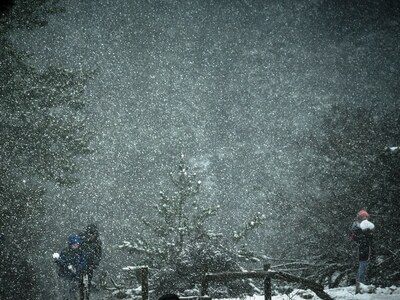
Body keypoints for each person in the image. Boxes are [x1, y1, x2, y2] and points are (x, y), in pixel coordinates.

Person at [55, 233, 88, 300]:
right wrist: (63, 264)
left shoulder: (80, 253)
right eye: (74, 245)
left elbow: (84, 263)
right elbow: (61, 261)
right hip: (64, 275)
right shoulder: (65, 251)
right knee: (64, 293)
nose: (76, 246)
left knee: (74, 293)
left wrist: (77, 268)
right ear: (70, 244)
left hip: (75, 277)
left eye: (77, 244)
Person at [351, 210, 375, 287]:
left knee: (363, 265)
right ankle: (361, 284)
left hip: (363, 248)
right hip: (361, 248)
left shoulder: (358, 225)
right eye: (365, 217)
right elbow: (357, 237)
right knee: (363, 265)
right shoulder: (357, 225)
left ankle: (361, 283)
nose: (366, 218)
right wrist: (366, 234)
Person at [80, 224, 102, 294]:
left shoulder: (97, 243)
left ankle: (86, 294)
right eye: (90, 233)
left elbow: (98, 255)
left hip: (90, 265)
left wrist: (94, 264)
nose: (92, 236)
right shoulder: (82, 241)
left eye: (93, 234)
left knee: (87, 282)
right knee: (80, 283)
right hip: (81, 265)